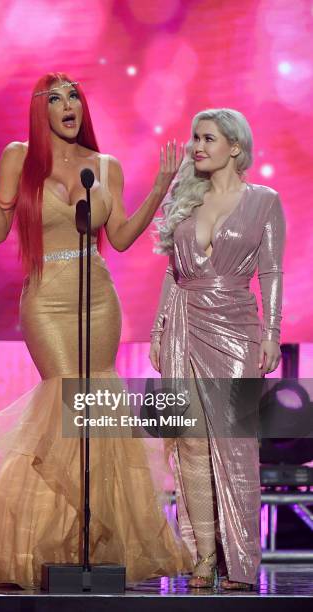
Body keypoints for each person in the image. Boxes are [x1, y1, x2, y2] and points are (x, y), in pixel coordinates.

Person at [0, 72, 191, 588]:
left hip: (97, 297)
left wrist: (159, 186)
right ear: (41, 111)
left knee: (96, 407)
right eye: (56, 99)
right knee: (65, 399)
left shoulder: (105, 166)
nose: (68, 106)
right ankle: (37, 543)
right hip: (46, 298)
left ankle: (87, 540)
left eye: (75, 98)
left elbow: (123, 237)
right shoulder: (21, 156)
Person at [149, 108, 285, 590]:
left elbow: (270, 272)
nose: (196, 146)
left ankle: (242, 563)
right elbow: (172, 273)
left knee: (233, 446)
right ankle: (204, 555)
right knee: (188, 441)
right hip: (184, 323)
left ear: (235, 146)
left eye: (207, 138)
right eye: (194, 138)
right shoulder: (186, 199)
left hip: (235, 329)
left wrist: (271, 332)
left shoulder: (264, 201)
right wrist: (159, 329)